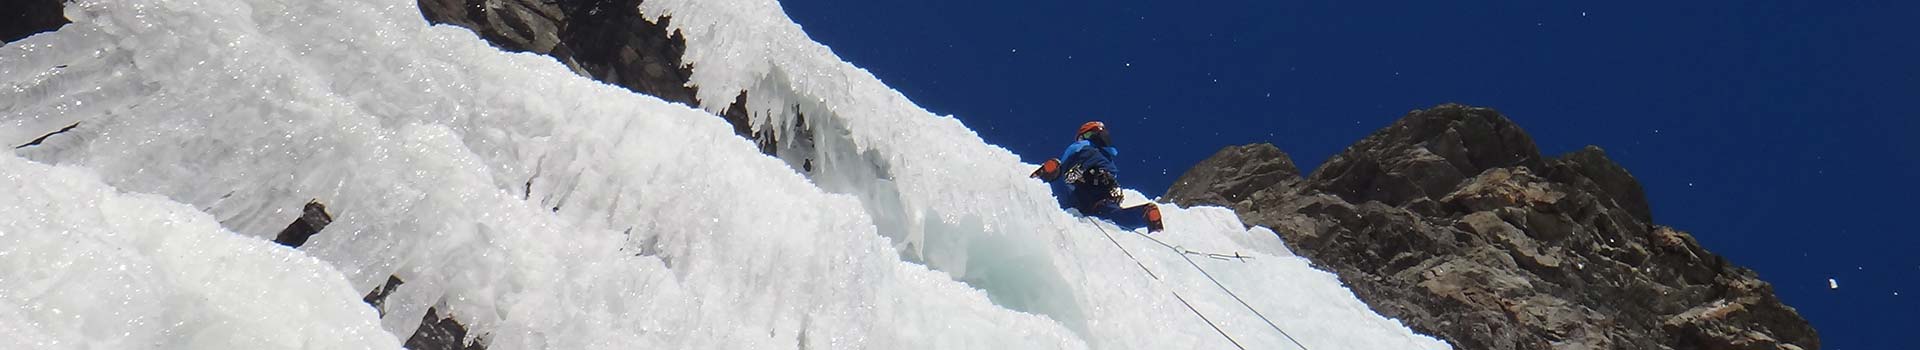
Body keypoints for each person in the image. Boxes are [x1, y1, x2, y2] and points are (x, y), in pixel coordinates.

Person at [1031, 121, 1164, 232]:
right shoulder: (1106, 157)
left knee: (1062, 194)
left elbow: (1071, 169)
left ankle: (1048, 175)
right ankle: (1144, 214)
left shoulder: (1084, 148)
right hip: (1103, 196)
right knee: (1116, 217)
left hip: (1082, 191)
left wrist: (1064, 174)